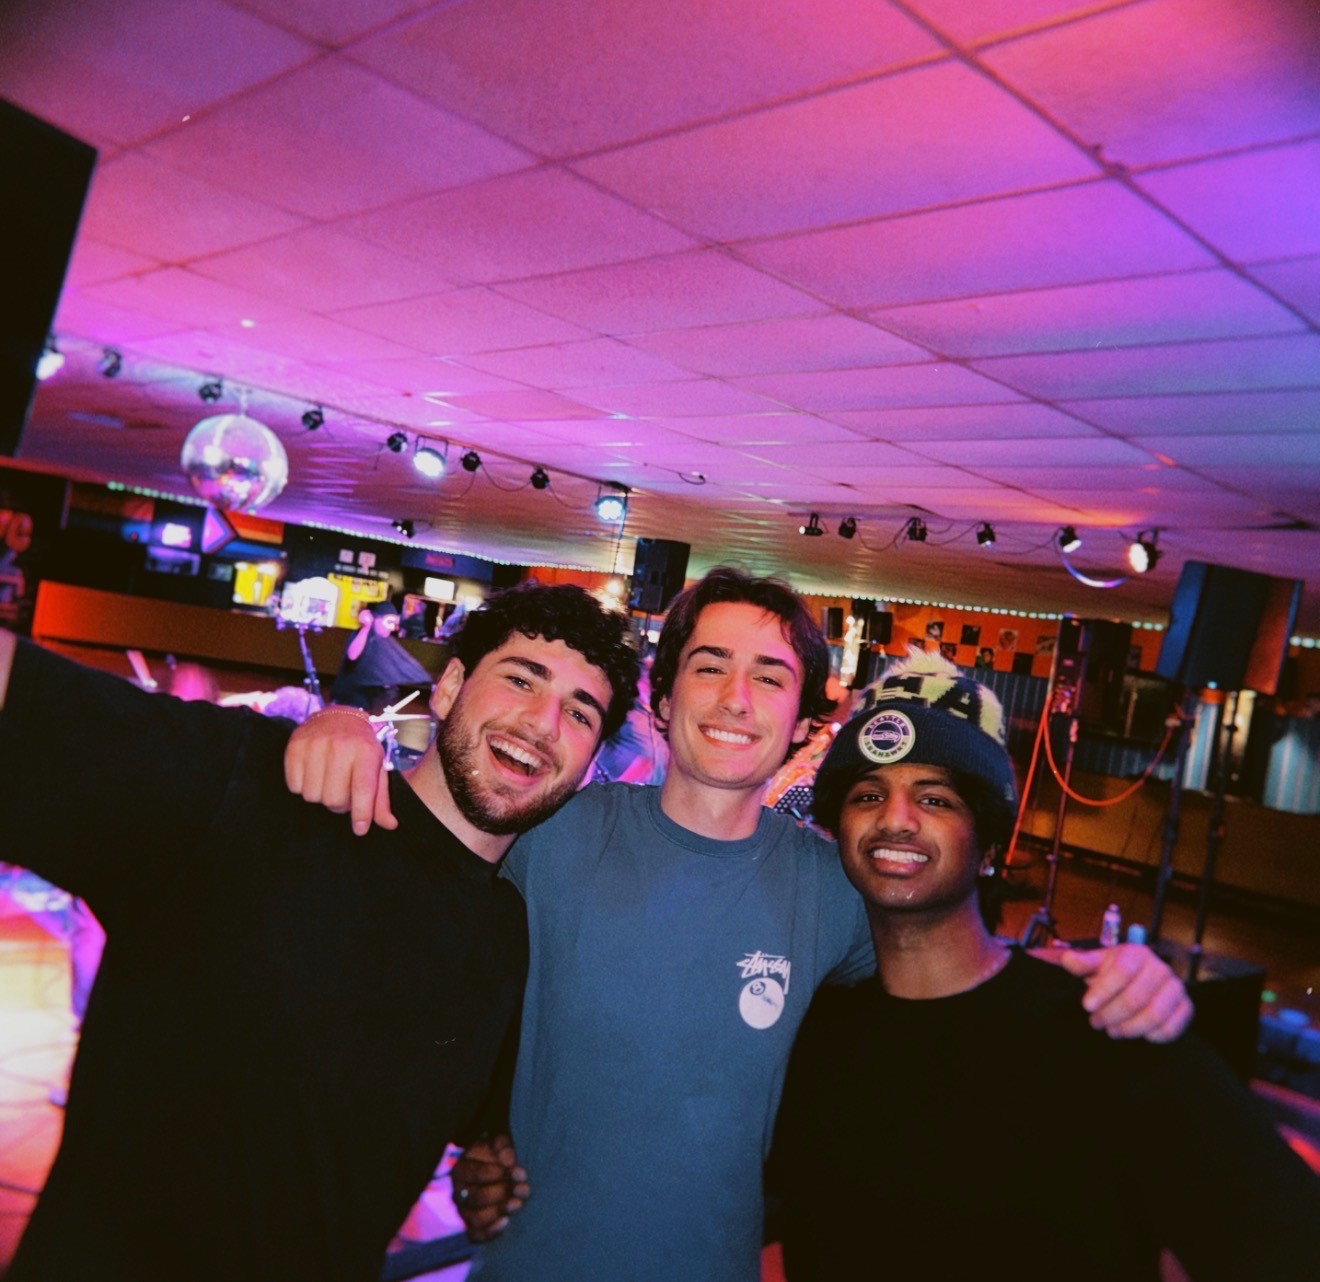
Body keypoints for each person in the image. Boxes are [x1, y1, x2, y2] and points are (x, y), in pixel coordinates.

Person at [286, 568, 1192, 1282]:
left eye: (770, 676)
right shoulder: (554, 830)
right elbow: (420, 842)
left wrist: (1101, 976)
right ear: (662, 699)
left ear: (803, 725)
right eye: (710, 665)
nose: (736, 698)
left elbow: (960, 985)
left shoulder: (833, 886)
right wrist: (338, 727)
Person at [0, 583, 638, 1282]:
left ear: (590, 766)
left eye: (580, 712)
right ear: (451, 686)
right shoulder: (255, 790)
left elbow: (479, 1133)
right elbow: (25, 703)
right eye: (521, 679)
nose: (543, 723)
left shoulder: (514, 943)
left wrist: (488, 1169)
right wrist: (333, 717)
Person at [771, 652, 1320, 1280]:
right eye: (869, 794)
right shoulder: (815, 1034)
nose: (896, 819)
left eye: (936, 798)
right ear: (837, 831)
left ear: (989, 844)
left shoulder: (1108, 1028)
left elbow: (1285, 1243)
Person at [328, 597, 432, 713]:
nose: (392, 628)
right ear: (376, 619)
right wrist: (366, 627)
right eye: (389, 622)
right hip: (346, 702)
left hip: (364, 703)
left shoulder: (382, 640)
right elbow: (352, 655)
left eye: (394, 623)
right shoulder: (362, 635)